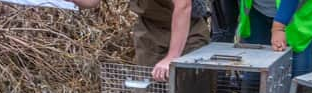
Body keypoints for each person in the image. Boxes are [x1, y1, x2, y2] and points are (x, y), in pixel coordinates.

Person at [71, 0, 210, 81]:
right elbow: (92, 2)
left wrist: (172, 57)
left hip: (187, 32)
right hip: (150, 31)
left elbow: (183, 6)